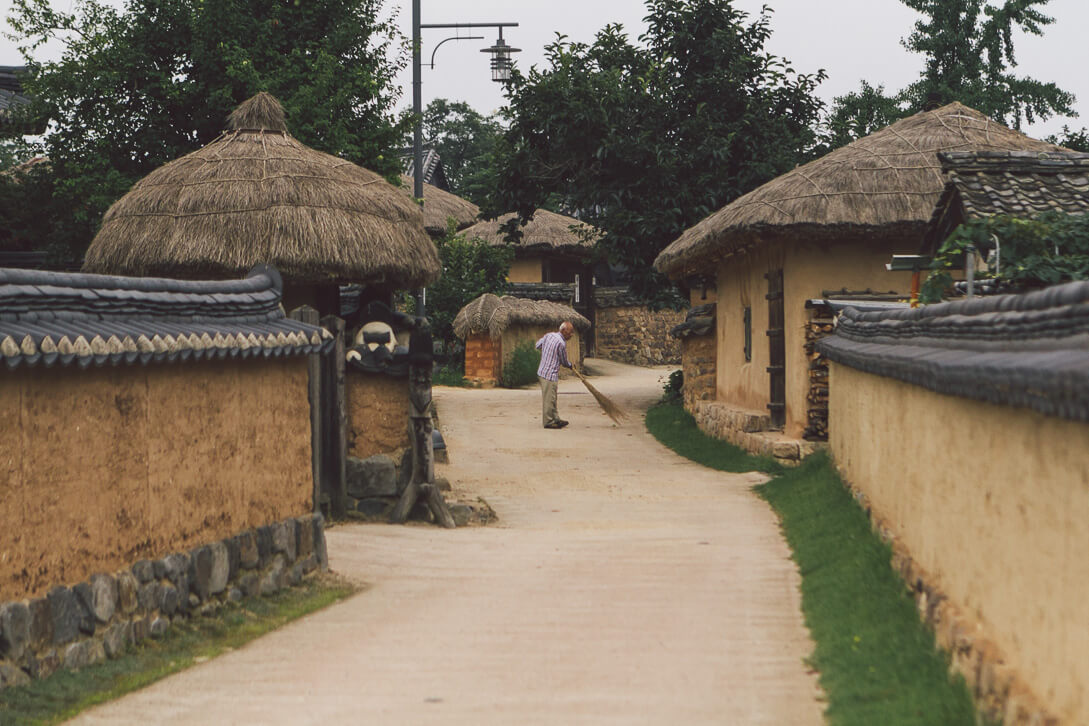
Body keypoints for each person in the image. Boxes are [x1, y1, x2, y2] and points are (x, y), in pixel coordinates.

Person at [535, 321, 575, 429]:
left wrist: (547, 353)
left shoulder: (549, 335)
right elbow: (563, 360)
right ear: (563, 330)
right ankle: (548, 422)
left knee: (552, 397)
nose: (571, 335)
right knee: (549, 398)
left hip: (542, 372)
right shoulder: (561, 343)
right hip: (549, 374)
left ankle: (555, 418)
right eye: (570, 332)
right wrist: (571, 365)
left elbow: (537, 345)